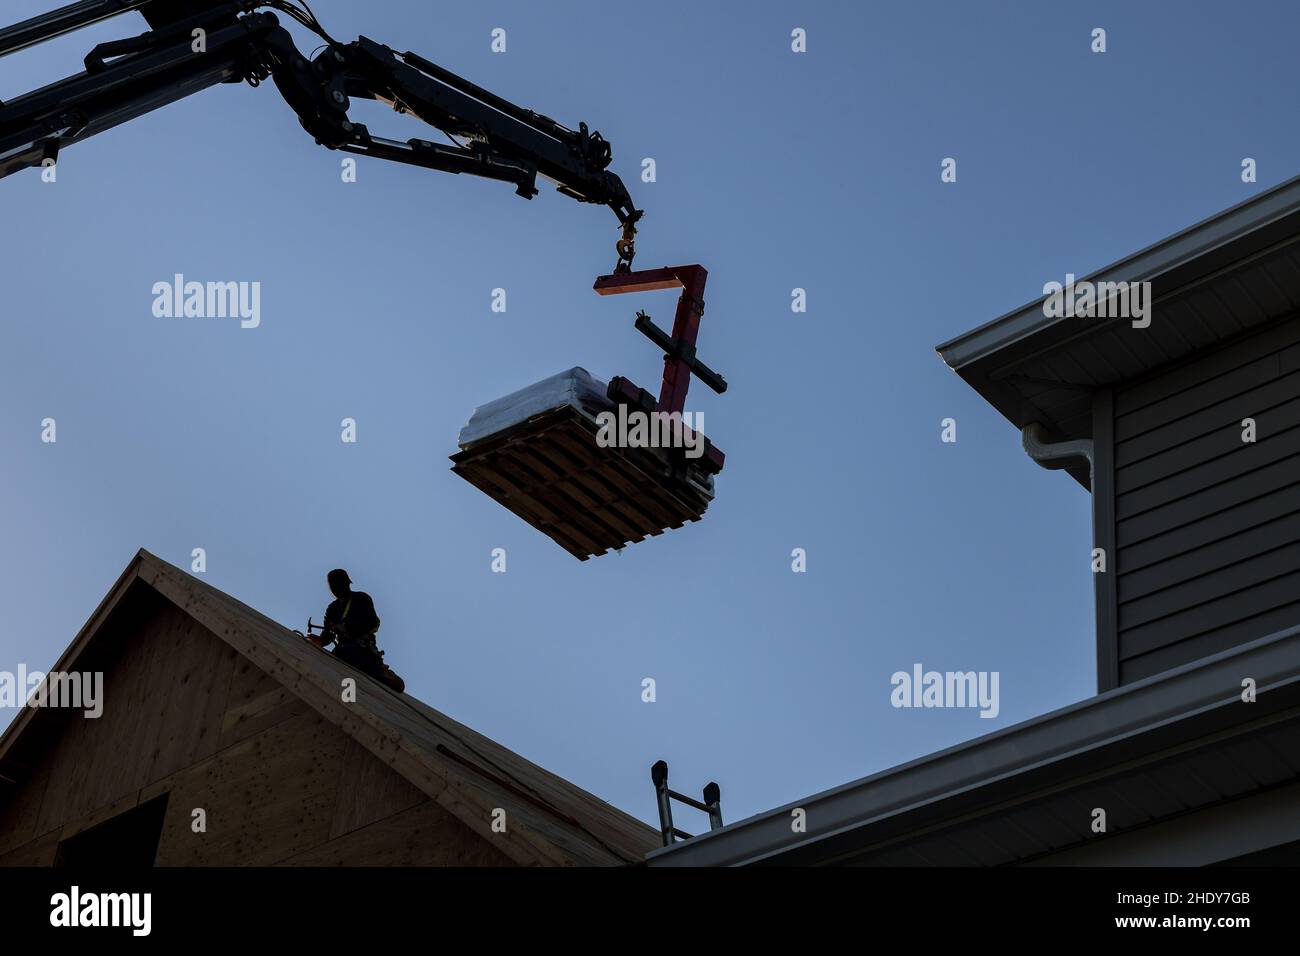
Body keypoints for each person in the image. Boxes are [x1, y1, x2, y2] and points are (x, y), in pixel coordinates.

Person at [321, 568, 386, 681]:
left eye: (336, 585)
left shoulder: (361, 598)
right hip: (343, 650)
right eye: (332, 586)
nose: (334, 589)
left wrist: (347, 627)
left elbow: (373, 622)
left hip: (363, 649)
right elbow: (327, 634)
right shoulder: (332, 609)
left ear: (346, 584)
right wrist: (320, 641)